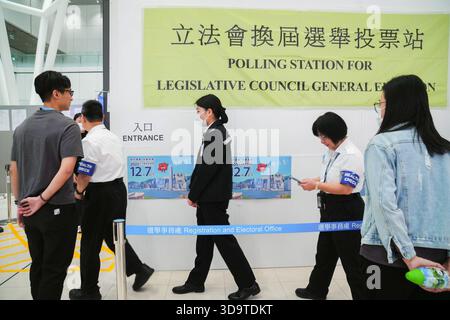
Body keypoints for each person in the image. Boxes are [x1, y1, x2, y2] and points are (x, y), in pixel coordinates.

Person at [361, 74, 450, 300]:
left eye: (381, 103)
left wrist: (409, 256)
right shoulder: (445, 150)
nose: (380, 110)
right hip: (438, 259)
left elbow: (384, 205)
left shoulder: (381, 145)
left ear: (395, 106)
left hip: (387, 256)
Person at [172, 94, 260, 300]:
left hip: (212, 198)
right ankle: (196, 282)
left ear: (209, 111)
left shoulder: (216, 133)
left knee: (225, 242)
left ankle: (249, 284)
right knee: (204, 242)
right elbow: (205, 167)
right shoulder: (216, 131)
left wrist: (193, 194)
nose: (198, 114)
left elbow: (207, 170)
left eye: (199, 111)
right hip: (210, 197)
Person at [68, 100, 154, 300]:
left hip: (98, 194)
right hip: (117, 190)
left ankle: (89, 291)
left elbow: (85, 174)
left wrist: (79, 192)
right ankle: (139, 269)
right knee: (114, 236)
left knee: (90, 243)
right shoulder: (113, 137)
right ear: (103, 117)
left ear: (83, 118)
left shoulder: (89, 142)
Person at [10, 70, 83, 300]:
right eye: (69, 92)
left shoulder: (21, 128)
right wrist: (42, 199)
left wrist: (20, 205)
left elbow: (14, 169)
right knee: (54, 269)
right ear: (56, 93)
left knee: (38, 265)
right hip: (57, 208)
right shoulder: (68, 127)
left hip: (30, 210)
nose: (71, 97)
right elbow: (67, 168)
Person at [295, 112, 367, 300]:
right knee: (324, 254)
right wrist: (314, 180)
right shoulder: (331, 151)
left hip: (346, 210)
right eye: (320, 136)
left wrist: (317, 185)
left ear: (335, 133)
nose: (321, 141)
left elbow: (345, 188)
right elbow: (329, 177)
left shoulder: (352, 155)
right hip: (329, 208)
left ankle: (362, 296)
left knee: (352, 260)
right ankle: (316, 290)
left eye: (324, 136)